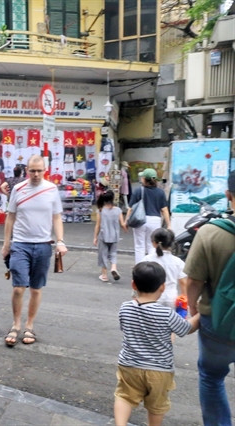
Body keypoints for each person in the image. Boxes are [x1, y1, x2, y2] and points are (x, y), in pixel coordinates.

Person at [114, 262, 200, 426]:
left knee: (124, 396)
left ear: (133, 284)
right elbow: (186, 329)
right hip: (159, 370)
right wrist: (200, 315)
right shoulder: (166, 313)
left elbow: (125, 327)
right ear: (162, 287)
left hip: (129, 365)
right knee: (156, 406)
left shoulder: (124, 308)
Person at [184, 170, 235, 425]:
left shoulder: (210, 233)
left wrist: (193, 311)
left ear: (228, 195)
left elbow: (193, 281)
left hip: (217, 323)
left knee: (212, 377)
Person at [1, 155, 67, 347]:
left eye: (39, 170)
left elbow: (56, 217)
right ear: (27, 171)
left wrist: (60, 241)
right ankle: (16, 325)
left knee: (36, 289)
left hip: (44, 245)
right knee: (18, 287)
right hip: (20, 244)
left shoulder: (51, 189)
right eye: (32, 170)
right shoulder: (18, 189)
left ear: (44, 170)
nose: (36, 174)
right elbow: (10, 217)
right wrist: (6, 244)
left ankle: (29, 325)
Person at [125, 168, 171, 264]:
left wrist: (126, 221)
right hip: (154, 220)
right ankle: (151, 266)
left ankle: (139, 267)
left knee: (139, 246)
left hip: (139, 220)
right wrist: (169, 225)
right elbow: (164, 210)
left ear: (145, 179)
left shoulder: (138, 191)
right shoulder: (160, 192)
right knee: (152, 245)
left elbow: (131, 208)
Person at [142, 228, 187, 310]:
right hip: (171, 298)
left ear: (154, 243)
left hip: (152, 297)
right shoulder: (178, 262)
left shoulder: (147, 260)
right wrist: (184, 300)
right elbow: (183, 283)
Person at [93, 190, 127, 282]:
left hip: (103, 236)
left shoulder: (100, 210)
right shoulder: (118, 210)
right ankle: (113, 268)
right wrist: (125, 228)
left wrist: (95, 237)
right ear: (113, 198)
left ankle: (104, 275)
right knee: (113, 253)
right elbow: (122, 223)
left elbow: (98, 225)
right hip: (115, 236)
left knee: (103, 255)